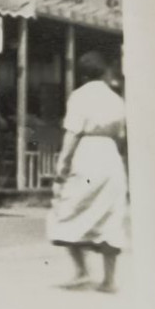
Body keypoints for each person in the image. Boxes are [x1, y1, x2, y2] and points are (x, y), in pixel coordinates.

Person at [48, 50, 129, 293]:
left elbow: (72, 132)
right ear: (104, 72)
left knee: (69, 209)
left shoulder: (79, 96)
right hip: (110, 155)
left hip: (87, 153)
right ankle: (109, 279)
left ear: (82, 75)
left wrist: (62, 162)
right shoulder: (116, 99)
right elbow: (122, 136)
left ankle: (82, 271)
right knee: (109, 216)